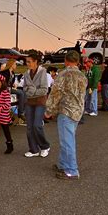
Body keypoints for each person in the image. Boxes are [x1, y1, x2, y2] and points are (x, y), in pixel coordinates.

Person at [46, 51, 88, 180]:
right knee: (67, 139)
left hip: (66, 110)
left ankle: (71, 170)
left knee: (67, 141)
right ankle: (63, 164)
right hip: (77, 111)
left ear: (66, 60)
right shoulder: (82, 76)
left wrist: (49, 110)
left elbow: (55, 93)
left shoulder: (63, 74)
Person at [23, 53, 50, 158]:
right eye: (27, 61)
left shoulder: (43, 72)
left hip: (40, 102)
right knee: (29, 127)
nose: (27, 63)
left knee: (37, 125)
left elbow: (44, 90)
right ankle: (33, 149)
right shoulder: (26, 73)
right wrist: (28, 91)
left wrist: (32, 91)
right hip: (29, 102)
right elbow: (25, 87)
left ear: (35, 62)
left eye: (29, 61)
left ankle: (45, 146)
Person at [0, 74, 13, 154]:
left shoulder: (6, 92)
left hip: (3, 115)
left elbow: (8, 104)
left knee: (6, 131)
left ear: (2, 82)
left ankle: (10, 146)